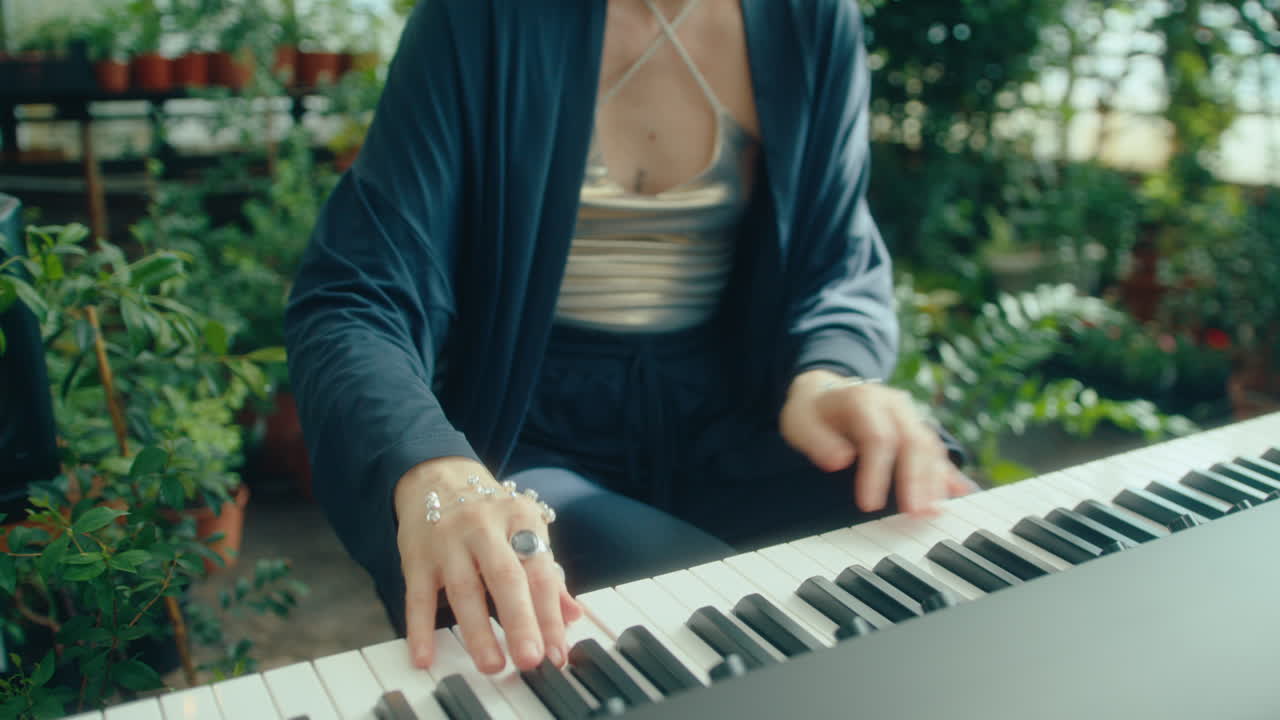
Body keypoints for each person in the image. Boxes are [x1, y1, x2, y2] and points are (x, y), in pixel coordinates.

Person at [284, 0, 973, 678]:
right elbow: (358, 292)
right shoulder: (481, 17)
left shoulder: (813, 17)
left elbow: (835, 257)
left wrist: (828, 375)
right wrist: (430, 465)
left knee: (941, 533)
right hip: (529, 437)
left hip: (734, 417)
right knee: (700, 615)